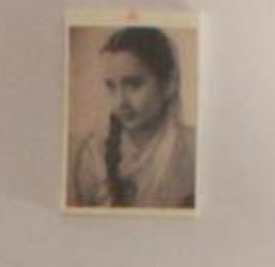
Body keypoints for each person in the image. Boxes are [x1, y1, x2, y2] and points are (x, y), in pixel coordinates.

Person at [70, 24, 196, 210]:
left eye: (134, 84)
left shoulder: (193, 149)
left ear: (168, 84)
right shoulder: (93, 154)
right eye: (111, 86)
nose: (120, 102)